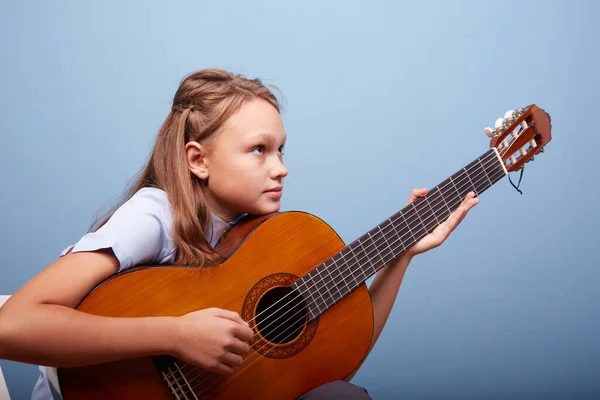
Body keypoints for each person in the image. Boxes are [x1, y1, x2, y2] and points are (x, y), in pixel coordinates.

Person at [0, 68, 479, 399]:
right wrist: (175, 335)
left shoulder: (258, 239)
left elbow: (330, 364)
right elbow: (11, 326)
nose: (281, 168)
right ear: (198, 160)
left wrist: (401, 256)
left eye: (282, 150)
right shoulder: (153, 216)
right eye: (259, 150)